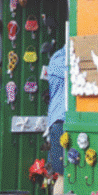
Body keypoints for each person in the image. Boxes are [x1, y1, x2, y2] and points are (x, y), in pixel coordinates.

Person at [45, 43, 67, 174]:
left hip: (64, 119)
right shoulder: (59, 60)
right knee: (61, 172)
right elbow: (73, 73)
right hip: (60, 120)